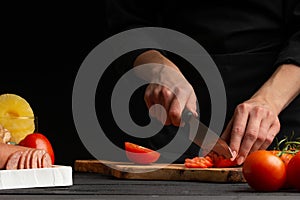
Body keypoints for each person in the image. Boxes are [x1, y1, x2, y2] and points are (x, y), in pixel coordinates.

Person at [104, 0, 300, 165]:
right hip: (173, 119)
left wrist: (269, 101)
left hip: (279, 118)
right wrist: (159, 69)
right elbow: (127, 24)